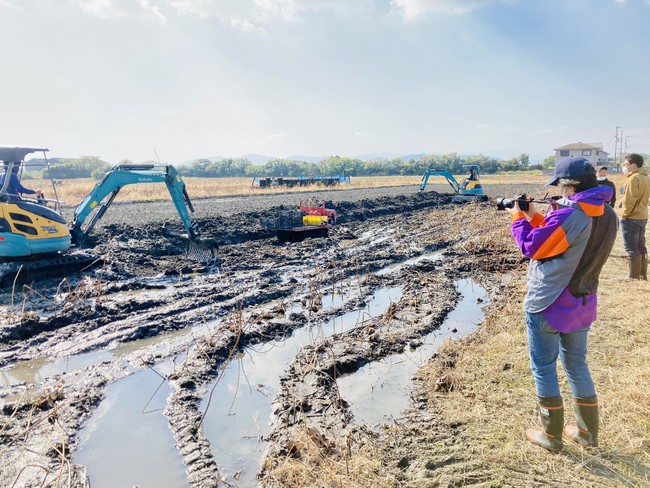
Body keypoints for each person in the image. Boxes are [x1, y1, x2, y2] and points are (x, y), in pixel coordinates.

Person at [507, 156, 618, 452]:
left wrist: (519, 219)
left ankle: (552, 436)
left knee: (544, 367)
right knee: (577, 365)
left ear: (570, 185)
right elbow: (565, 239)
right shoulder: (607, 213)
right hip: (583, 299)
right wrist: (536, 217)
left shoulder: (571, 214)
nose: (560, 191)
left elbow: (534, 246)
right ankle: (587, 434)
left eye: (559, 185)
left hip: (552, 300)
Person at [620, 153, 649, 280]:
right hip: (643, 215)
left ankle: (633, 275)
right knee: (641, 245)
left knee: (631, 246)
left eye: (626, 164)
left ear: (633, 165)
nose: (624, 166)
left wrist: (625, 215)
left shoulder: (633, 178)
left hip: (632, 217)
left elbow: (629, 200)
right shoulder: (646, 177)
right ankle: (642, 274)